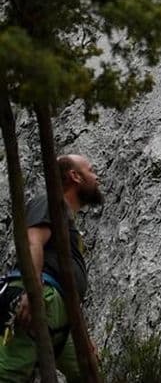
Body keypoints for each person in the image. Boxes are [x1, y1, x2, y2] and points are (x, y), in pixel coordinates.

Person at [0, 154, 103, 382]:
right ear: (75, 176)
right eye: (91, 170)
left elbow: (70, 287)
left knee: (87, 372)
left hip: (62, 310)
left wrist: (83, 339)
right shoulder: (49, 202)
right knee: (10, 375)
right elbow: (32, 241)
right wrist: (32, 291)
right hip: (43, 297)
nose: (97, 177)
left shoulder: (66, 220)